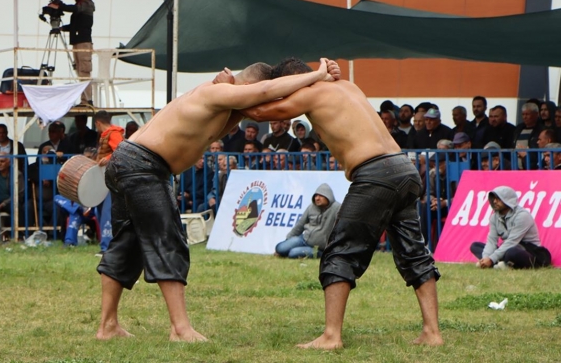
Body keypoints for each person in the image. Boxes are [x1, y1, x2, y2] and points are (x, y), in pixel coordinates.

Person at [95, 58, 339, 342]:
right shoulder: (216, 93)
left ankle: (107, 326)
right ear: (247, 85)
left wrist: (320, 81)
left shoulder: (222, 108)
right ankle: (179, 329)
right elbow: (265, 94)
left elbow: (259, 104)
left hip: (132, 163)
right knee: (168, 240)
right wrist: (318, 74)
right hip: (143, 166)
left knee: (127, 244)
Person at [240, 57, 442, 349]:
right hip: (404, 169)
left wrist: (225, 92)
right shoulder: (348, 86)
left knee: (340, 252)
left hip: (375, 173)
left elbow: (258, 111)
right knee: (414, 253)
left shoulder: (310, 93)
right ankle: (432, 333)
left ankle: (331, 336)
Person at [470, 186, 552, 269]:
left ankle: (501, 262)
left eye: (498, 198)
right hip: (507, 247)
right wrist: (486, 258)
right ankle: (501, 263)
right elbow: (492, 241)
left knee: (511, 252)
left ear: (508, 200)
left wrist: (491, 259)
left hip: (530, 252)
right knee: (475, 246)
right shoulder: (494, 217)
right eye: (493, 198)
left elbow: (512, 242)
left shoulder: (522, 216)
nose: (494, 201)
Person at [49, 0, 95, 105]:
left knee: (84, 72)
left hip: (83, 43)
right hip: (77, 42)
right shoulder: (80, 6)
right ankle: (84, 100)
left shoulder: (87, 3)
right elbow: (76, 26)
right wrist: (62, 28)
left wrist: (60, 6)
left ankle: (88, 100)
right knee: (80, 71)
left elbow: (76, 9)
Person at [275, 183, 341, 259]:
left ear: (328, 196)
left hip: (318, 248)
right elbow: (299, 226)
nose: (317, 198)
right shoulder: (311, 207)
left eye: (320, 196)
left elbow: (343, 229)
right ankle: (286, 251)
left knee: (292, 253)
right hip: (304, 239)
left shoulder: (337, 208)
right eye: (316, 196)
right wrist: (287, 240)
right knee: (280, 248)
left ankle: (319, 254)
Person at [93, 110, 125, 255]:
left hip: (112, 178)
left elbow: (121, 152)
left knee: (107, 211)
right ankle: (105, 244)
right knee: (100, 210)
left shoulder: (114, 134)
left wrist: (109, 158)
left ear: (98, 123)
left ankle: (107, 247)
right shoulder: (107, 134)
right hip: (104, 178)